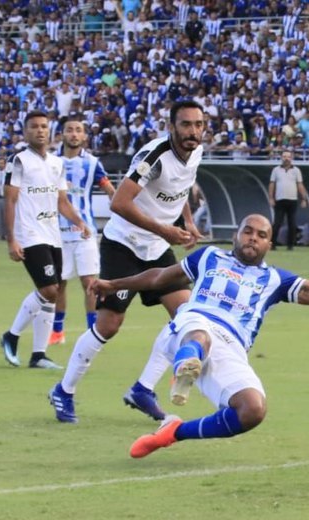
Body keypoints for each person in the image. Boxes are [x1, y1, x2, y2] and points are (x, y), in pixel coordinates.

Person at [86, 214, 309, 456]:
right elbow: (158, 277)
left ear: (269, 244)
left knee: (252, 410)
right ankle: (186, 364)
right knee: (200, 336)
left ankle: (173, 432)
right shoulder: (208, 257)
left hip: (231, 345)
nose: (253, 238)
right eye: (248, 231)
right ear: (236, 234)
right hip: (193, 323)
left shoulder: (276, 280)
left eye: (261, 235)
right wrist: (113, 285)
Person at [49, 100, 206, 423]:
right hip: (124, 245)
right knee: (108, 325)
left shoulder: (196, 152)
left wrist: (187, 222)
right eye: (186, 125)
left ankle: (143, 389)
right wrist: (164, 228)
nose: (193, 131)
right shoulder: (155, 156)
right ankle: (64, 391)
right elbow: (120, 202)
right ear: (171, 127)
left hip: (157, 247)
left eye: (198, 125)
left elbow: (182, 189)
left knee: (186, 316)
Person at [0, 111, 91, 370]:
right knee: (49, 289)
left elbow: (62, 201)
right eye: (34, 127)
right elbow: (10, 200)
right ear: (25, 131)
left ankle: (38, 354)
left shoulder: (56, 163)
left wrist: (79, 222)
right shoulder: (18, 161)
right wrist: (11, 240)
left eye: (43, 126)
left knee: (54, 293)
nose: (40, 131)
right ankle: (12, 335)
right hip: (29, 234)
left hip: (53, 235)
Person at [48, 116, 117, 347]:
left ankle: (92, 330)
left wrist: (119, 205)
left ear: (85, 136)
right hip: (56, 232)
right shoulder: (51, 161)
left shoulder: (92, 163)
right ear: (62, 135)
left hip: (85, 232)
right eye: (70, 130)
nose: (74, 134)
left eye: (78, 130)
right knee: (59, 284)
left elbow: (108, 187)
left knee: (90, 282)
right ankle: (57, 330)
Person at [269, 150, 309, 251]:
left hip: (292, 199)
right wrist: (271, 198)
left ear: (291, 158)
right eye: (284, 156)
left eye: (288, 157)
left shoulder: (296, 170)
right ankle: (272, 244)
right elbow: (272, 184)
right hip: (280, 199)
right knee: (277, 223)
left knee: (292, 223)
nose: (286, 159)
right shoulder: (276, 170)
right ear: (281, 158)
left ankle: (290, 245)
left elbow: (300, 184)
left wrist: (304, 198)